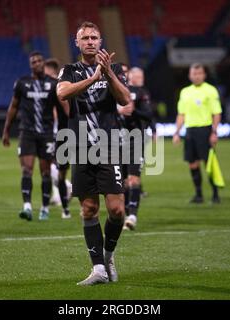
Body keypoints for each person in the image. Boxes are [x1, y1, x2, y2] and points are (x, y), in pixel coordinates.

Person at [56, 21, 131, 285]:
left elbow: (124, 100)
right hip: (80, 147)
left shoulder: (116, 69)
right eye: (84, 38)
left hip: (109, 146)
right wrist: (92, 79)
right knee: (89, 209)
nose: (90, 41)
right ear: (76, 43)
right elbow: (63, 93)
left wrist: (108, 74)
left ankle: (108, 255)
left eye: (94, 37)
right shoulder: (70, 70)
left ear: (101, 41)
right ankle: (98, 268)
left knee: (117, 210)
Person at [2, 51, 62, 221]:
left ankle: (44, 208)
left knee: (45, 173)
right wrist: (6, 130)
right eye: (33, 61)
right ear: (30, 65)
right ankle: (27, 206)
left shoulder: (53, 84)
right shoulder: (21, 83)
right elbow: (13, 107)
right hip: (26, 132)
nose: (36, 63)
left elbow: (63, 108)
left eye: (39, 60)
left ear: (43, 63)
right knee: (26, 170)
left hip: (46, 133)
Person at [172, 63, 222, 204]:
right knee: (192, 164)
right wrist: (177, 132)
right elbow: (181, 114)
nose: (197, 76)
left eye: (199, 73)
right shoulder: (185, 92)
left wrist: (214, 132)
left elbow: (216, 113)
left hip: (205, 130)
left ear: (204, 75)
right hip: (190, 131)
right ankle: (199, 194)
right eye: (194, 73)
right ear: (190, 75)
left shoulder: (210, 91)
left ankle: (215, 194)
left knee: (209, 163)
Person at [122, 67, 153, 231]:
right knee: (124, 182)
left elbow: (149, 115)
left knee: (133, 179)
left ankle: (132, 215)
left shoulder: (141, 92)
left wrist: (135, 110)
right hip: (115, 140)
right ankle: (126, 213)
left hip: (135, 138)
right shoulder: (110, 90)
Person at [44, 57, 73, 218]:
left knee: (58, 170)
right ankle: (65, 207)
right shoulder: (52, 87)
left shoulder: (57, 87)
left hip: (64, 133)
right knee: (59, 170)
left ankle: (66, 207)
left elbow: (64, 110)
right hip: (64, 133)